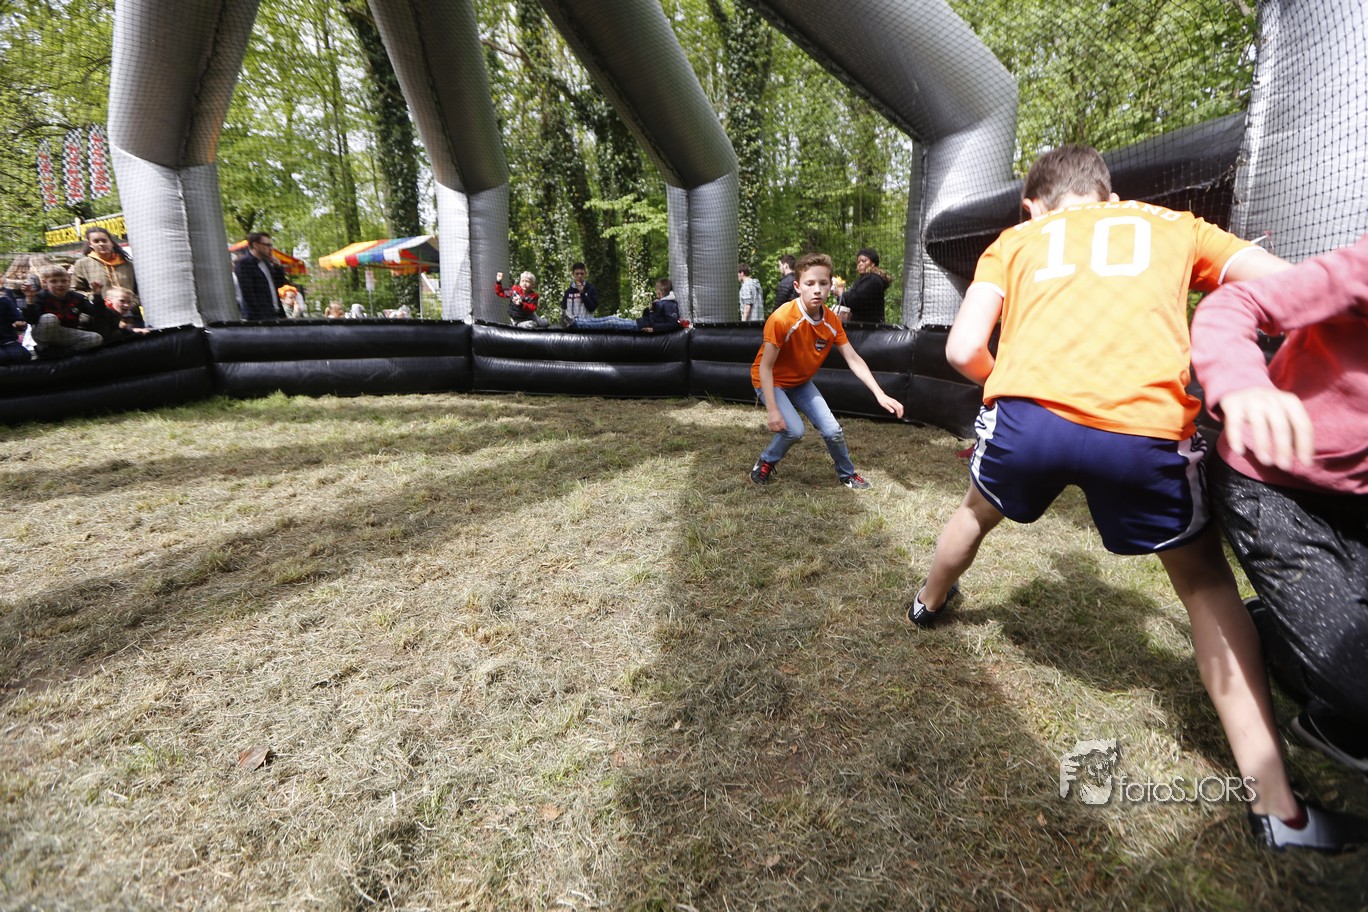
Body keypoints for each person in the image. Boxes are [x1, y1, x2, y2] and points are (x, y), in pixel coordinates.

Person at [909, 144, 1368, 853]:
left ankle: (927, 602)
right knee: (1206, 586)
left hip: (1028, 418)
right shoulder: (1176, 225)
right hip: (1144, 426)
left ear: (1031, 206)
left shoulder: (1014, 241)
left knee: (975, 511)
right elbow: (1288, 288)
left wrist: (1017, 386)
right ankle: (1278, 810)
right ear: (1111, 195)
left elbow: (963, 350)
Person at [1191, 232, 1368, 777]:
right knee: (1356, 673)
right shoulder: (1359, 270)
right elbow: (1237, 301)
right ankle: (1274, 629)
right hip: (1271, 484)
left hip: (1356, 500)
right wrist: (1242, 383)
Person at [750, 252, 903, 490]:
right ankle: (766, 461)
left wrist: (879, 393)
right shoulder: (781, 319)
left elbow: (853, 359)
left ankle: (847, 474)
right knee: (794, 430)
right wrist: (772, 409)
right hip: (771, 381)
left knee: (833, 430)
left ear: (831, 286)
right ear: (797, 287)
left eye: (823, 283)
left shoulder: (832, 321)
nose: (817, 290)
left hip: (800, 382)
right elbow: (765, 367)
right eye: (809, 283)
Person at [23, 264, 111, 357]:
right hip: (43, 334)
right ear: (45, 283)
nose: (60, 284)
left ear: (69, 282)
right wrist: (30, 301)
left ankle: (62, 353)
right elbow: (32, 320)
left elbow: (99, 314)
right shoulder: (40, 297)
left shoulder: (77, 297)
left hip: (65, 334)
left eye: (63, 281)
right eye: (54, 281)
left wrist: (97, 295)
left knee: (96, 338)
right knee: (49, 318)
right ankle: (44, 348)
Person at [570, 278, 684, 333]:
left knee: (611, 323)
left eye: (656, 292)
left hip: (640, 326)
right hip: (640, 322)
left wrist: (654, 329)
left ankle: (577, 324)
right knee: (612, 318)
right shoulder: (662, 302)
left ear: (659, 292)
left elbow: (673, 323)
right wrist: (649, 309)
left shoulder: (669, 304)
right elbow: (650, 317)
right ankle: (577, 321)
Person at [69, 226, 137, 296]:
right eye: (96, 241)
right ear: (90, 244)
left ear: (111, 242)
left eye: (104, 241)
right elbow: (75, 290)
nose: (101, 244)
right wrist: (94, 297)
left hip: (129, 303)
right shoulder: (82, 264)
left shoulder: (127, 263)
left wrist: (134, 300)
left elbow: (139, 288)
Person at [234, 231, 285, 320]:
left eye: (271, 245)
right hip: (258, 317)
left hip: (274, 313)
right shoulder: (244, 264)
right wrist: (259, 317)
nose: (270, 248)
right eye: (267, 245)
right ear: (255, 245)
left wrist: (278, 268)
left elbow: (279, 284)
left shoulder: (267, 263)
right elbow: (248, 294)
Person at [842, 247, 891, 323]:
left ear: (873, 264)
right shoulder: (866, 280)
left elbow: (855, 301)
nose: (860, 264)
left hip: (868, 328)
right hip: (864, 327)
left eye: (864, 261)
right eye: (858, 262)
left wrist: (841, 294)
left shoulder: (873, 280)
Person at [0, 282, 30, 363]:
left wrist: (20, 324)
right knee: (2, 357)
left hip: (8, 341)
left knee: (23, 355)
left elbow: (19, 321)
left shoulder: (5, 301)